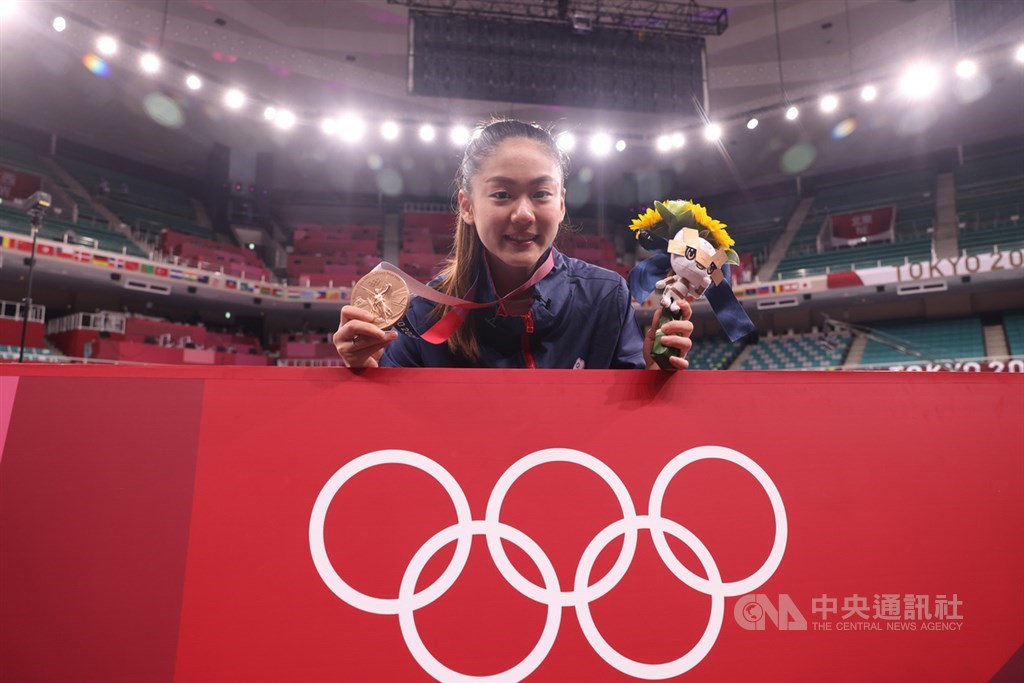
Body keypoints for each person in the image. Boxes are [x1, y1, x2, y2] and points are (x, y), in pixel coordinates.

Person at [333, 119, 692, 370]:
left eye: (541, 193)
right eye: (502, 194)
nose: (523, 214)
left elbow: (631, 433)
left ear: (561, 204)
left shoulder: (605, 297)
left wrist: (653, 374)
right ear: (468, 206)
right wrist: (364, 372)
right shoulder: (423, 316)